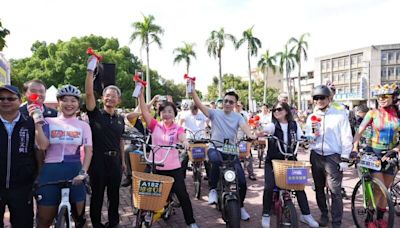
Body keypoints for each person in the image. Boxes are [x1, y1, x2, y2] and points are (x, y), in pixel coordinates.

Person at [190, 83, 257, 221]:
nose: (227, 103)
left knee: (242, 182)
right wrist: (192, 91)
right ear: (223, 102)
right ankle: (213, 189)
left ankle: (241, 206)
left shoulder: (238, 117)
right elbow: (200, 105)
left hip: (231, 149)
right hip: (215, 146)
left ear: (235, 104)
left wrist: (251, 135)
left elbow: (245, 128)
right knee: (215, 161)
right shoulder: (215, 113)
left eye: (230, 102)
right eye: (225, 101)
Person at [137, 87, 199, 228]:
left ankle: (191, 221)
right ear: (160, 114)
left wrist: (185, 142)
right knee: (144, 192)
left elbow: (183, 137)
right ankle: (144, 214)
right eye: (164, 111)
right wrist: (141, 95)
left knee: (183, 195)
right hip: (155, 165)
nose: (167, 114)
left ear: (174, 114)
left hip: (173, 167)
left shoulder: (178, 128)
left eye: (170, 111)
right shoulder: (155, 126)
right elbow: (144, 111)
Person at [33, 85, 93, 228]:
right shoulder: (48, 121)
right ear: (59, 102)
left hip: (75, 171)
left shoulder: (83, 125)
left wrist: (83, 172)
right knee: (44, 220)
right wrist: (38, 126)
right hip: (50, 172)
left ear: (78, 104)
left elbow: (89, 151)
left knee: (80, 220)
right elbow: (42, 146)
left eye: (73, 100)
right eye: (65, 100)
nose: (69, 104)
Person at [260, 102, 319, 228]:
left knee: (299, 186)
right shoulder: (272, 125)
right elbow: (263, 131)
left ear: (286, 111)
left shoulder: (294, 125)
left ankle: (306, 214)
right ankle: (265, 214)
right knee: (269, 186)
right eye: (274, 110)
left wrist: (307, 138)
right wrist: (259, 133)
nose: (276, 111)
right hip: (273, 160)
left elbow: (300, 137)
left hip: (291, 159)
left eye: (279, 109)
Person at [85, 57, 126, 228]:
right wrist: (90, 70)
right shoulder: (95, 114)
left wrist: (123, 162)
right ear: (102, 98)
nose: (110, 99)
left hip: (115, 162)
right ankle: (96, 223)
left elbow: (120, 141)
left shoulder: (120, 119)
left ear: (118, 100)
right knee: (97, 196)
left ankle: (113, 223)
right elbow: (88, 93)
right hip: (98, 162)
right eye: (107, 96)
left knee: (114, 196)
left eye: (114, 96)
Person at [352, 83, 400, 228]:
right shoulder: (372, 113)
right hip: (373, 153)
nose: (381, 99)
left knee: (387, 189)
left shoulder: (398, 115)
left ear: (394, 97)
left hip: (391, 153)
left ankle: (380, 218)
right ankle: (369, 219)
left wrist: (397, 149)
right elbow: (359, 131)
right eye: (379, 96)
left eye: (385, 96)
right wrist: (354, 147)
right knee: (379, 189)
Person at [305, 85, 353, 228]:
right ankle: (324, 214)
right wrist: (311, 136)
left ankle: (336, 221)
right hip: (316, 155)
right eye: (316, 98)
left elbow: (346, 136)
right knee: (318, 188)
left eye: (322, 97)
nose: (319, 100)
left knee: (335, 191)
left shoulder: (340, 115)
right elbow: (309, 138)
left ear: (329, 98)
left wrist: (344, 157)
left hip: (333, 157)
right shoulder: (311, 117)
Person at [0, 85, 37, 228]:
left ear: (19, 100)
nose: (5, 101)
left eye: (10, 98)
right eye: (1, 98)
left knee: (23, 223)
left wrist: (36, 175)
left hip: (22, 187)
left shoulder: (30, 123)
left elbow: (39, 151)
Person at [179, 103, 209, 178]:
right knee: (184, 157)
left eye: (195, 110)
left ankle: (210, 177)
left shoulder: (202, 114)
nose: (194, 112)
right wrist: (181, 130)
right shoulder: (186, 114)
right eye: (192, 110)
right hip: (190, 139)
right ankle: (181, 177)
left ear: (197, 109)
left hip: (201, 139)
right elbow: (180, 123)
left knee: (207, 158)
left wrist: (209, 128)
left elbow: (208, 122)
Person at [234, 101, 257, 181]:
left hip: (242, 140)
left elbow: (248, 127)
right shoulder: (229, 115)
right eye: (236, 106)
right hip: (231, 141)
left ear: (241, 106)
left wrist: (249, 136)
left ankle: (251, 173)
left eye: (239, 106)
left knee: (248, 155)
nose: (237, 107)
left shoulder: (244, 116)